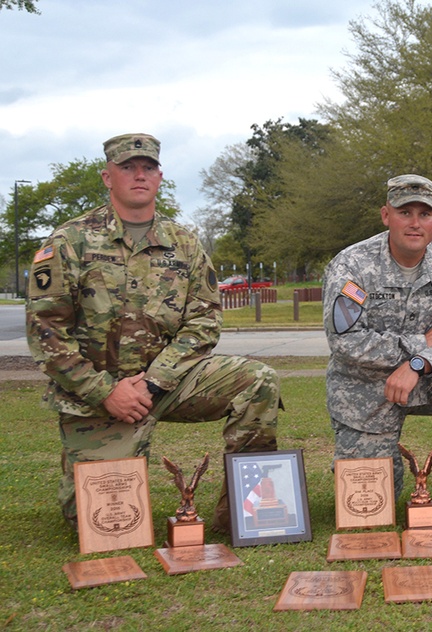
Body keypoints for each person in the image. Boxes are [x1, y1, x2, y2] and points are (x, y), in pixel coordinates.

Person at [25, 133, 280, 530]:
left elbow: (205, 319)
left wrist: (155, 381)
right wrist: (105, 392)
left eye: (148, 168)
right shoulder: (69, 241)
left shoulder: (184, 243)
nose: (139, 175)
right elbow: (46, 330)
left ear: (159, 177)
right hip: (101, 392)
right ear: (108, 177)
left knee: (258, 380)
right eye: (128, 167)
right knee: (98, 523)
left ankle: (245, 517)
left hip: (170, 382)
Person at [322, 174, 432, 536]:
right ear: (386, 215)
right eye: (405, 212)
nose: (415, 222)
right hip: (366, 387)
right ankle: (362, 457)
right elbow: (346, 341)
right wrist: (422, 343)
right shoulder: (352, 264)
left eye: (425, 213)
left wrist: (419, 363)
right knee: (371, 510)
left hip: (431, 377)